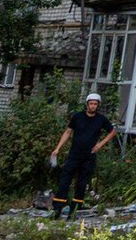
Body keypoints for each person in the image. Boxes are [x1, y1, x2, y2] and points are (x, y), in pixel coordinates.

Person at [48, 91, 117, 219]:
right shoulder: (77, 117)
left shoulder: (101, 119)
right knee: (64, 179)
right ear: (87, 104)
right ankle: (58, 208)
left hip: (88, 156)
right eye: (91, 104)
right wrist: (58, 148)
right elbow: (68, 132)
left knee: (82, 183)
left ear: (98, 105)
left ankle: (74, 211)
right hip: (74, 154)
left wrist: (99, 145)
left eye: (95, 104)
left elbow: (112, 132)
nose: (93, 106)